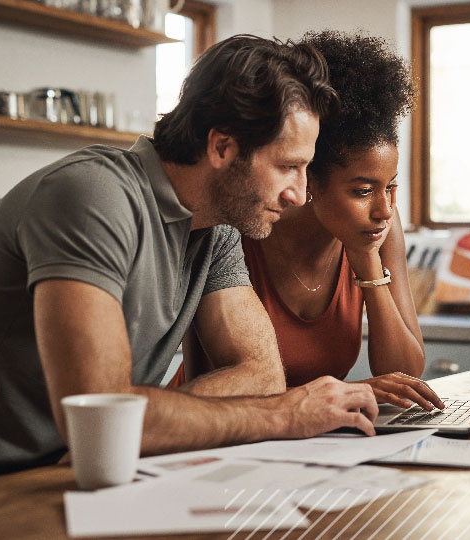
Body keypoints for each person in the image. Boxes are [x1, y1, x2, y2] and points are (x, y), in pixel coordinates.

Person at [0, 34, 381, 498]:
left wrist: (138, 422)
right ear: (222, 147)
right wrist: (281, 416)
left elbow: (260, 373)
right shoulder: (92, 196)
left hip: (81, 481)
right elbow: (103, 418)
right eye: (287, 166)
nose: (297, 195)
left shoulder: (217, 228)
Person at [172, 30, 444, 412]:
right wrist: (352, 391)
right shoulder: (244, 224)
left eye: (391, 187)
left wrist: (366, 261)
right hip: (216, 426)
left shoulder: (377, 230)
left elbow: (406, 374)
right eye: (363, 191)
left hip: (310, 434)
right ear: (309, 178)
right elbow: (220, 381)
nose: (384, 210)